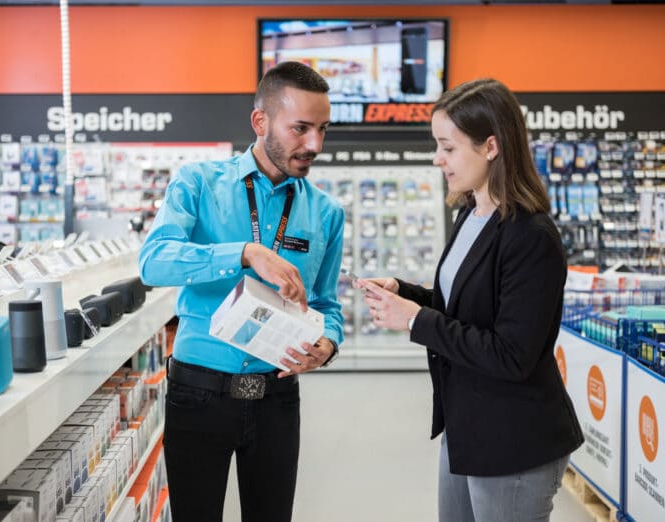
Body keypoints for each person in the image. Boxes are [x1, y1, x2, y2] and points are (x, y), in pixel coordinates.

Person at [355, 78, 584, 522]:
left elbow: (512, 354)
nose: (437, 158)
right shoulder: (472, 212)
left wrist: (416, 320)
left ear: (491, 147)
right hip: (467, 427)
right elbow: (464, 305)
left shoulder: (531, 237)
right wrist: (406, 293)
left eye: (448, 146)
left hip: (514, 440)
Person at [138, 61, 344, 522]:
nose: (314, 144)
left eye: (323, 130)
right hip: (199, 394)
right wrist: (245, 252)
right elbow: (154, 261)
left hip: (277, 398)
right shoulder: (198, 183)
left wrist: (328, 343)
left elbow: (328, 304)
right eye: (301, 128)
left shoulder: (326, 212)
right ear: (261, 121)